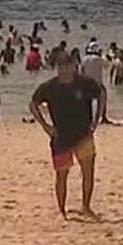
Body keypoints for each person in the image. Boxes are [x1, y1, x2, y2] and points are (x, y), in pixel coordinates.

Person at [31, 49, 107, 218]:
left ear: (74, 66)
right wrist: (46, 127)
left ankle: (86, 207)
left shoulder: (85, 83)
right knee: (61, 175)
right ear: (57, 68)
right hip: (61, 137)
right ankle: (62, 210)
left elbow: (101, 94)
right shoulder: (50, 87)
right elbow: (33, 104)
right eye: (61, 67)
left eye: (68, 66)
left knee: (88, 173)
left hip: (84, 135)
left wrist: (97, 119)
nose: (64, 70)